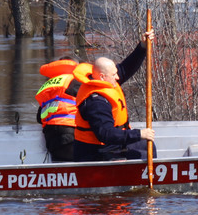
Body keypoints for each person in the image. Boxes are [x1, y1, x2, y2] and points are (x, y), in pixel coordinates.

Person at [72, 31, 156, 162]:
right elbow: (106, 134)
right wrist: (139, 134)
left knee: (147, 146)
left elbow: (125, 68)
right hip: (96, 153)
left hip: (111, 145)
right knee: (144, 151)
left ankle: (142, 180)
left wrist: (143, 46)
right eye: (114, 75)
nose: (118, 77)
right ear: (102, 77)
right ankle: (137, 180)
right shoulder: (96, 102)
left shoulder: (104, 80)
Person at [35, 56, 81, 162]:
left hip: (51, 136)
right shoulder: (76, 82)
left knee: (62, 170)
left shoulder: (50, 85)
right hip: (71, 132)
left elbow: (39, 117)